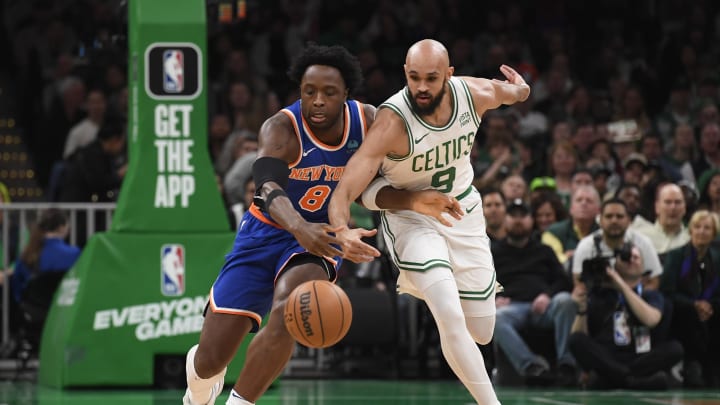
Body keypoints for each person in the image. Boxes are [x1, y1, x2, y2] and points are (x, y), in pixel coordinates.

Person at [183, 44, 443, 405]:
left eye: (328, 93)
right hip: (265, 232)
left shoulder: (367, 123)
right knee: (210, 360)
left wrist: (414, 199)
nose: (317, 101)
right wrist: (299, 227)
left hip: (320, 239)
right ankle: (199, 385)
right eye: (309, 92)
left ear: (346, 95)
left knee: (292, 306)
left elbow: (375, 188)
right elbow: (267, 186)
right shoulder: (281, 128)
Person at [329, 39, 531, 405]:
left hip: (462, 212)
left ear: (449, 76)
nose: (421, 87)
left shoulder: (474, 94)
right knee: (448, 313)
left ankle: (435, 281)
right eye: (414, 78)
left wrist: (522, 89)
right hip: (410, 220)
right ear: (406, 74)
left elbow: (511, 92)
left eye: (431, 79)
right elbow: (345, 190)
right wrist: (342, 229)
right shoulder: (392, 121)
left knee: (482, 331)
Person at [569, 245, 683, 390]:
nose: (631, 260)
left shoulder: (650, 295)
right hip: (607, 356)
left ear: (642, 267)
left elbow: (652, 320)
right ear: (615, 265)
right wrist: (582, 308)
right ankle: (632, 380)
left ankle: (614, 379)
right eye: (626, 257)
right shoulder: (600, 294)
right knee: (575, 340)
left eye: (636, 257)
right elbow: (580, 336)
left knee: (675, 348)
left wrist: (622, 287)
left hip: (640, 356)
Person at [492, 199, 577, 386]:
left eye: (523, 216)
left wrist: (547, 295)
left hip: (544, 307)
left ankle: (567, 365)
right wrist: (494, 298)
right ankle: (532, 366)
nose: (518, 220)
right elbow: (479, 282)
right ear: (505, 220)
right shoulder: (493, 252)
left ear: (532, 220)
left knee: (566, 300)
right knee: (495, 317)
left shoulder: (544, 250)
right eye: (513, 216)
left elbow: (563, 280)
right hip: (511, 308)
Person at [660, 210, 720, 388]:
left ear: (714, 233)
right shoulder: (676, 256)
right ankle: (691, 365)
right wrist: (694, 305)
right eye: (697, 227)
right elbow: (667, 291)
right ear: (690, 230)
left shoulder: (717, 259)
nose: (701, 231)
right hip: (683, 315)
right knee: (689, 317)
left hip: (712, 314)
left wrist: (709, 306)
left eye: (707, 228)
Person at [571, 198, 663, 289]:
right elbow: (578, 283)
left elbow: (654, 282)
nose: (614, 221)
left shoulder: (644, 243)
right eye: (609, 216)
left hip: (637, 297)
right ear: (600, 221)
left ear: (629, 221)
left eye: (619, 216)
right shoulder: (586, 245)